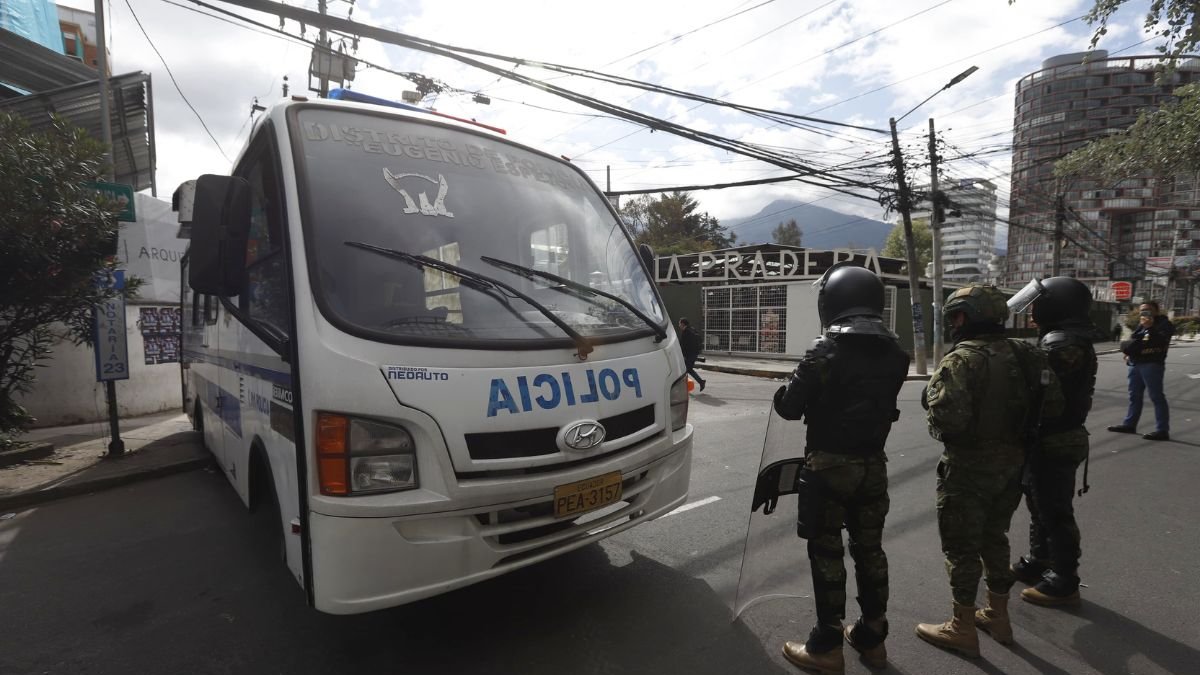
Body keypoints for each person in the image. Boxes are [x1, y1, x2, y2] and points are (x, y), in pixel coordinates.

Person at [771, 264, 910, 673]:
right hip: (873, 466)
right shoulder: (897, 354)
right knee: (870, 550)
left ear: (831, 301)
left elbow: (790, 408)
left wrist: (787, 385)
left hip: (828, 466)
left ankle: (827, 644)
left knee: (826, 550)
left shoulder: (824, 350)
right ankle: (872, 638)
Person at [916, 284, 1062, 658]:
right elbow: (1054, 407)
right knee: (995, 537)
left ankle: (962, 626)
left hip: (967, 469)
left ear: (964, 317)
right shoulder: (1028, 354)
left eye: (954, 317)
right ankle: (998, 616)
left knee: (961, 548)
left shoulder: (961, 360)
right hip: (1012, 465)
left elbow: (948, 421)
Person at [1007, 277, 1097, 608]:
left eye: (1037, 307)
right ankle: (1039, 561)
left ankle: (1064, 578)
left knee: (1054, 510)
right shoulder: (1065, 339)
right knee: (1038, 503)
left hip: (1056, 438)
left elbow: (1032, 387)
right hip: (1046, 436)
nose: (1032, 314)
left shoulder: (1063, 346)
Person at [1108, 301, 1174, 440]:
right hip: (1135, 363)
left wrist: (1150, 327)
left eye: (1148, 310)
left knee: (1156, 396)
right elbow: (1135, 340)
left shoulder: (1164, 324)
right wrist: (1129, 352)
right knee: (1134, 396)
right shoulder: (1141, 324)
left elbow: (1160, 341)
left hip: (1152, 364)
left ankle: (1162, 430)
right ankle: (1130, 424)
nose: (1145, 313)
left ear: (1156, 311)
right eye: (1142, 310)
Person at [677, 317, 706, 392]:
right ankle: (701, 382)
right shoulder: (692, 329)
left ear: (683, 324)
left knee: (685, 370)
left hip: (689, 355)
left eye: (679, 323)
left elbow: (684, 346)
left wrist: (683, 355)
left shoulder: (686, 332)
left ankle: (682, 388)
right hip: (694, 353)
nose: (679, 325)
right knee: (688, 370)